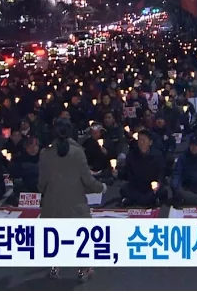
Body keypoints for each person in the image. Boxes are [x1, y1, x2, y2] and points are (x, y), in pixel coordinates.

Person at [38, 118, 106, 282]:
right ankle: (83, 269)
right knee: (80, 236)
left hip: (52, 203)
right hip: (75, 203)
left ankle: (55, 267)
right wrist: (101, 187)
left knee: (55, 236)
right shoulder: (77, 152)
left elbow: (41, 184)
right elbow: (88, 180)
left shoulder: (45, 153)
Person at [115, 129, 166, 207]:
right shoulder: (132, 155)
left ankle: (136, 200)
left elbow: (161, 174)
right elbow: (127, 173)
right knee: (124, 189)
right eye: (139, 140)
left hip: (151, 186)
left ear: (150, 142)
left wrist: (158, 183)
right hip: (136, 186)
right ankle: (147, 201)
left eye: (144, 140)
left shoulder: (158, 155)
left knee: (162, 191)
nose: (141, 143)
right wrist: (118, 173)